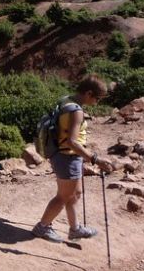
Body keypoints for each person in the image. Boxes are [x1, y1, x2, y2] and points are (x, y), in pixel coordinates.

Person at [32, 76, 113, 243]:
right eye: (97, 98)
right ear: (89, 93)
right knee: (63, 196)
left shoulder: (66, 99)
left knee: (75, 193)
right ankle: (42, 227)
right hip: (66, 156)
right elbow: (72, 141)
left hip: (65, 155)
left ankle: (75, 229)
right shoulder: (76, 111)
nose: (97, 102)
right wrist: (95, 160)